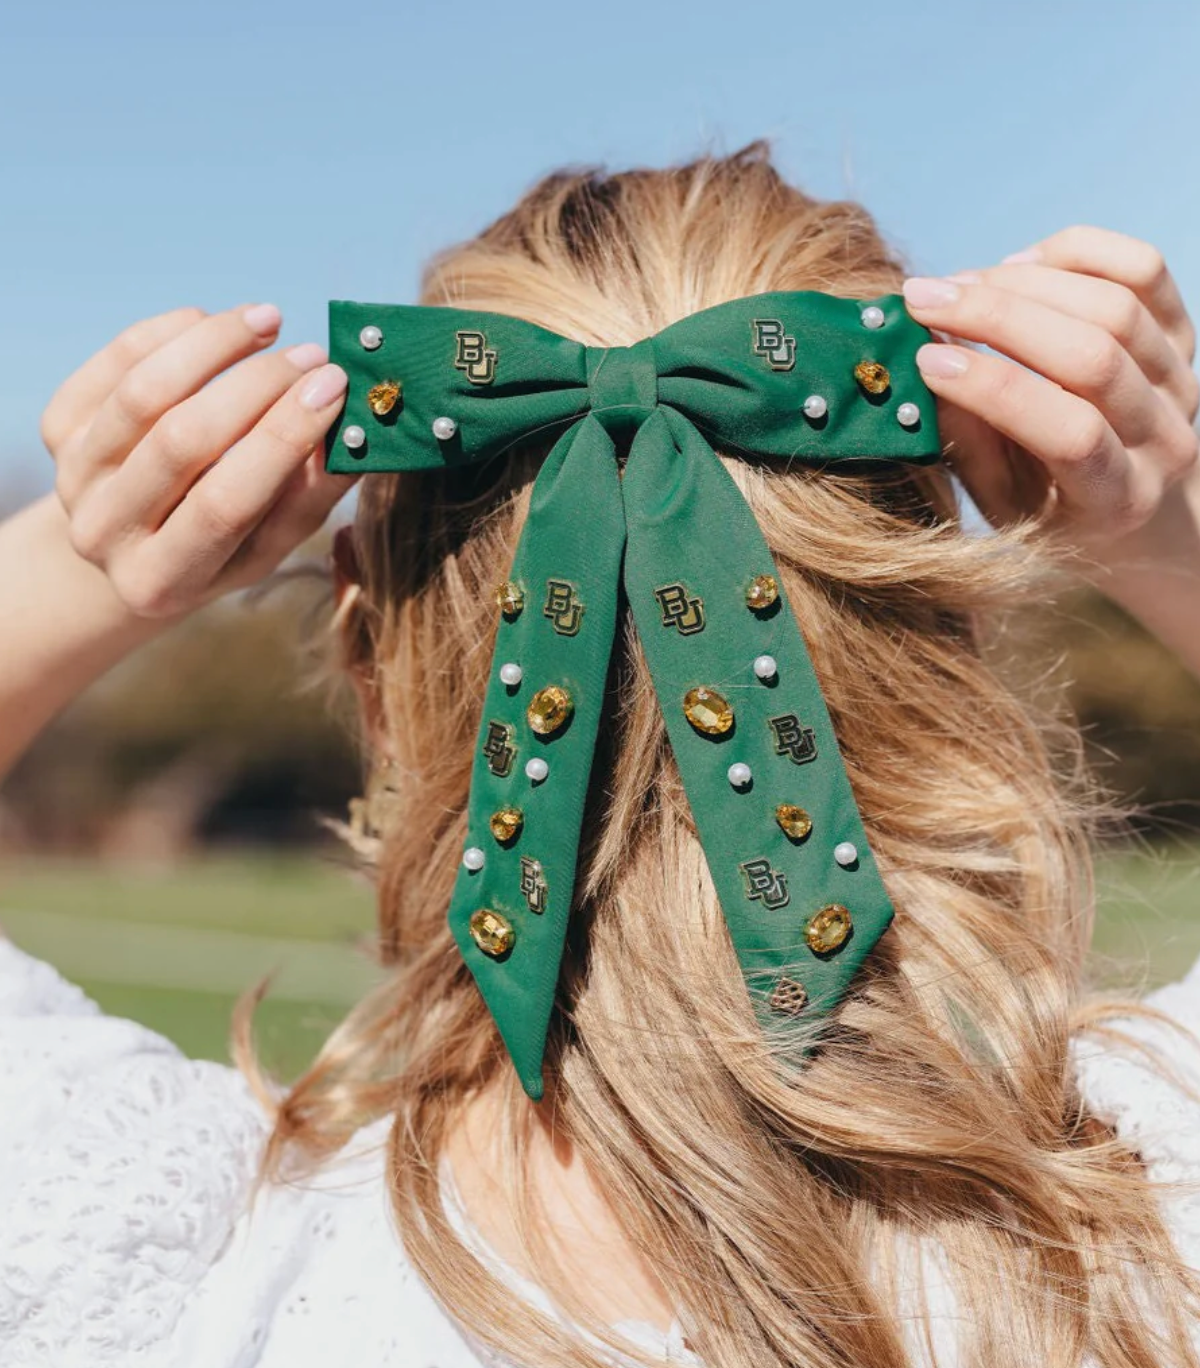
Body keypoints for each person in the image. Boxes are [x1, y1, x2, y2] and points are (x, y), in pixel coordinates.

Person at [1, 142, 1198, 1368]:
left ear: (368, 662)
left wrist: (89, 560)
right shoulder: (1151, 1195)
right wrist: (1173, 527)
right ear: (961, 623)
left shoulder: (173, 1257)